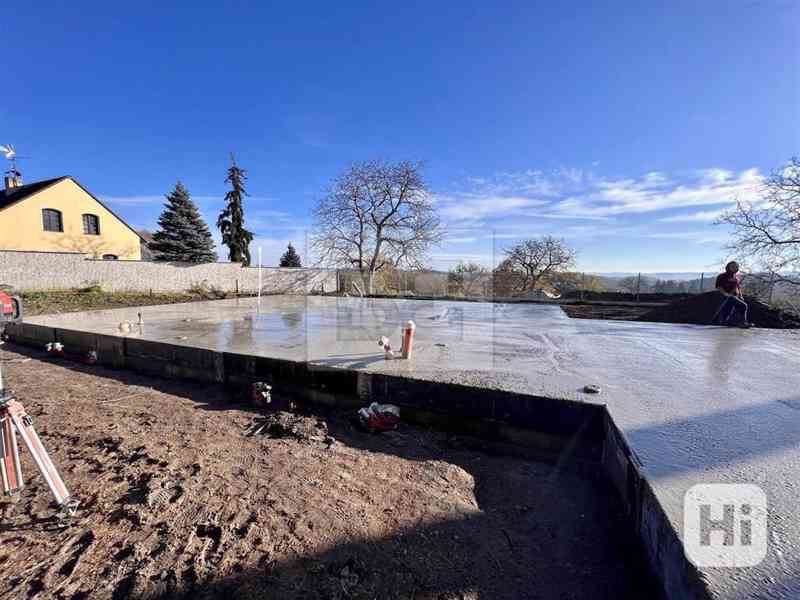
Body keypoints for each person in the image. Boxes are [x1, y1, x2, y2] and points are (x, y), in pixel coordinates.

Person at [713, 261, 750, 327]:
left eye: (736, 267)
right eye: (733, 266)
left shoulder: (736, 278)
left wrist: (741, 296)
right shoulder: (722, 276)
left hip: (735, 296)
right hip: (726, 297)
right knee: (744, 306)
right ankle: (743, 322)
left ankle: (727, 323)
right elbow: (718, 286)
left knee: (729, 312)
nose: (735, 268)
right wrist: (725, 293)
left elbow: (738, 287)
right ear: (728, 267)